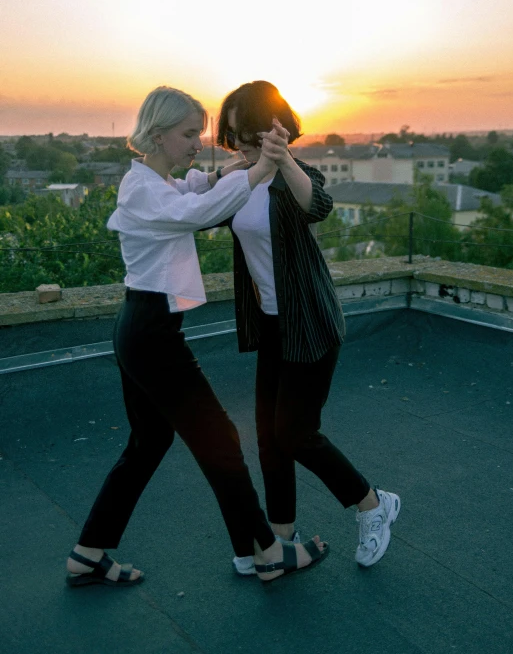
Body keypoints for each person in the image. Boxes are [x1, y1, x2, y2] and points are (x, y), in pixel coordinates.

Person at [65, 86, 329, 588]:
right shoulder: (142, 188)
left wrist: (228, 173)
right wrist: (258, 171)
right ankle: (269, 553)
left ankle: (88, 553)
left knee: (148, 443)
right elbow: (195, 213)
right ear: (158, 134)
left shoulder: (151, 181)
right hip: (152, 335)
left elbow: (192, 191)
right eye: (189, 134)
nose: (197, 143)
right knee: (221, 440)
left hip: (143, 328)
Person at [215, 81, 401, 576]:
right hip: (273, 325)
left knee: (295, 433)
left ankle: (372, 503)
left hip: (311, 323)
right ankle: (280, 542)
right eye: (233, 138)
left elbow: (317, 205)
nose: (242, 147)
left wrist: (283, 160)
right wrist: (236, 169)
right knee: (269, 437)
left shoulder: (298, 175)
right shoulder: (242, 177)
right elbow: (207, 212)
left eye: (249, 135)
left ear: (273, 127)